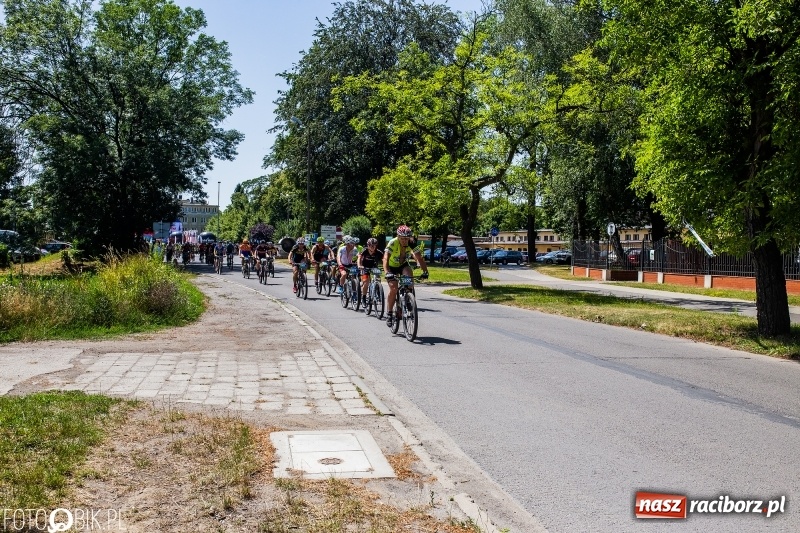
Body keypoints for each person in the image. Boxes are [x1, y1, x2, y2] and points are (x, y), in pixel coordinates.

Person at [383, 225, 429, 328]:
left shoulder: (411, 242)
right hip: (391, 267)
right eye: (402, 238)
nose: (404, 241)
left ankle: (408, 299)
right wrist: (387, 272)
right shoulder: (392, 242)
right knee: (394, 289)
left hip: (403, 265)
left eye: (406, 238)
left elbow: (419, 257)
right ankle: (389, 313)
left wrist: (425, 271)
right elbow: (385, 258)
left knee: (409, 282)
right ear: (398, 236)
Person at [357, 238, 383, 306]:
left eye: (374, 246)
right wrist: (359, 265)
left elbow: (384, 260)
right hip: (364, 267)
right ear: (368, 245)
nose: (372, 247)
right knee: (366, 282)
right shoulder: (364, 251)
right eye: (371, 245)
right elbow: (359, 258)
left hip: (374, 267)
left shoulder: (378, 252)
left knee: (378, 278)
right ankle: (364, 298)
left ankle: (378, 291)